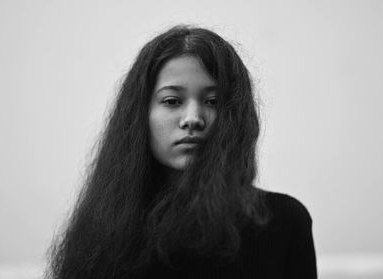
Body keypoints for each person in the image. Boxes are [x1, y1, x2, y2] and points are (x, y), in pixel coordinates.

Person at [45, 25, 317, 279]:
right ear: (140, 115)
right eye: (172, 101)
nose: (192, 118)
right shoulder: (102, 230)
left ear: (235, 117)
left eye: (212, 101)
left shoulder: (284, 221)